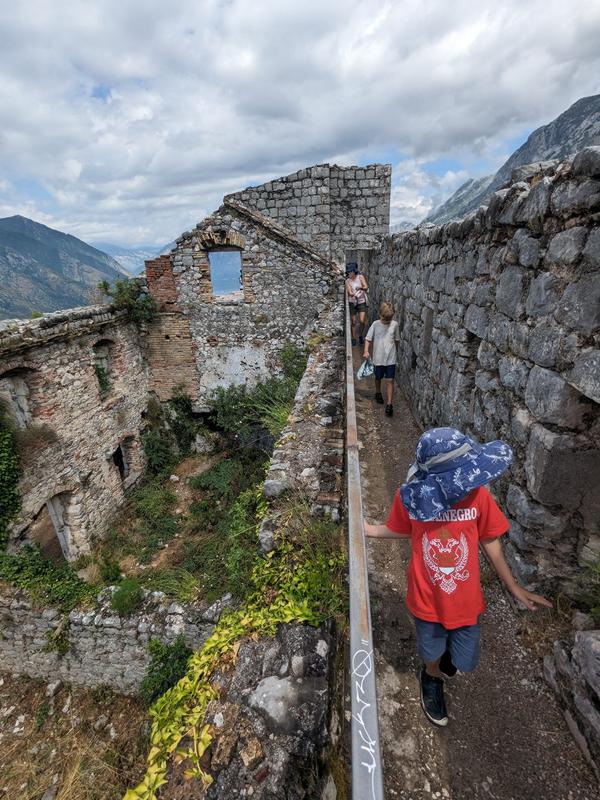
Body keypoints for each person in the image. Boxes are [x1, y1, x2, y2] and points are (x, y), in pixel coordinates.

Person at [364, 427, 551, 727]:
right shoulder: (412, 499)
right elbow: (403, 528)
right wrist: (371, 530)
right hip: (428, 600)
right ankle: (430, 676)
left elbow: (490, 539)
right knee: (431, 651)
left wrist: (513, 586)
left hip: (465, 602)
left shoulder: (478, 497)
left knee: (464, 660)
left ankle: (442, 664)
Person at [363, 301, 400, 418]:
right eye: (385, 319)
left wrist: (395, 351)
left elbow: (397, 340)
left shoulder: (394, 325)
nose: (386, 322)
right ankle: (378, 392)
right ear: (380, 315)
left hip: (390, 358)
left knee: (390, 380)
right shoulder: (375, 324)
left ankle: (389, 405)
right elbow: (368, 339)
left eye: (388, 320)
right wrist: (365, 350)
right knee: (378, 377)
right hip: (378, 358)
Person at [345, 263, 368, 346]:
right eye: (348, 272)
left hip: (361, 301)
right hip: (352, 302)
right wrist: (353, 294)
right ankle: (354, 338)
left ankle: (361, 335)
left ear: (354, 271)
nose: (349, 273)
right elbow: (350, 292)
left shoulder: (360, 277)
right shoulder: (347, 281)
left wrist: (360, 288)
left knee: (362, 321)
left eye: (350, 272)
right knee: (354, 321)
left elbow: (366, 287)